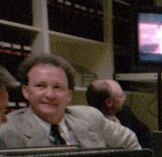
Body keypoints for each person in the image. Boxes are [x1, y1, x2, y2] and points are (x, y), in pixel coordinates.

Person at [0, 54, 139, 150]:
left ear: (69, 95)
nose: (50, 94)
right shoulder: (7, 132)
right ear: (26, 91)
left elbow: (129, 140)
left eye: (58, 87)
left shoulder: (89, 116)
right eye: (40, 86)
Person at [86, 79, 153, 149]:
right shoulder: (92, 126)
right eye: (121, 95)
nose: (124, 98)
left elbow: (143, 133)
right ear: (109, 103)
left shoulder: (124, 113)